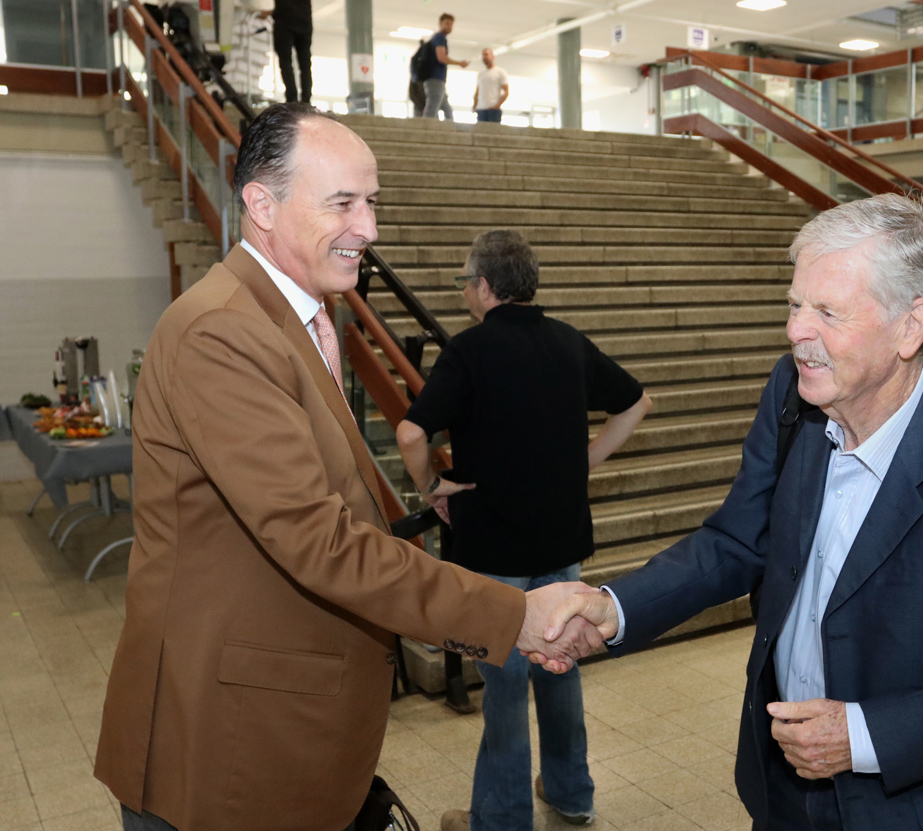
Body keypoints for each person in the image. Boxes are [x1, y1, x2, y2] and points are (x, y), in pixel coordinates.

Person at [93, 104, 598, 831]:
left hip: (278, 730)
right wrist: (513, 615)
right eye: (343, 203)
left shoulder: (295, 320)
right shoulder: (223, 331)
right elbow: (318, 540)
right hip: (221, 743)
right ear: (262, 205)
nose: (370, 228)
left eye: (372, 202)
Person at [535, 194, 923, 831]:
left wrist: (864, 735)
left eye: (827, 311)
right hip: (783, 788)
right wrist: (615, 608)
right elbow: (739, 540)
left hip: (909, 807)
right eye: (796, 305)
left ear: (911, 326)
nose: (797, 330)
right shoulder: (793, 395)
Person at [395, 230, 652, 831]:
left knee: (506, 684)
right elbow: (637, 403)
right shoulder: (566, 340)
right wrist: (585, 459)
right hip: (562, 540)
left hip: (495, 549)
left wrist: (431, 486)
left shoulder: (468, 350)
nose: (464, 292)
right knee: (561, 664)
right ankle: (571, 793)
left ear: (485, 286)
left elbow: (410, 433)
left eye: (465, 281)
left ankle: (502, 818)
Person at [423, 13, 469, 120]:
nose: (449, 27)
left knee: (447, 109)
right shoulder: (439, 37)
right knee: (432, 108)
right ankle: (426, 127)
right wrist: (460, 63)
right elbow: (442, 58)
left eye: (451, 24)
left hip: (439, 80)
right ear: (440, 23)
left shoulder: (439, 38)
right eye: (447, 23)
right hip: (435, 78)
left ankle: (450, 127)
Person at [265, 0, 313, 103]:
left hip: (284, 24)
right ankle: (306, 99)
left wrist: (272, 13)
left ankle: (292, 98)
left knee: (285, 62)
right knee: (305, 65)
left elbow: (285, 7)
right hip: (304, 22)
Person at [473, 48, 509, 123]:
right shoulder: (481, 73)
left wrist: (497, 105)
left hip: (493, 110)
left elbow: (506, 91)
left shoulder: (500, 72)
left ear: (492, 56)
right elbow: (477, 91)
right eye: (483, 55)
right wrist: (475, 105)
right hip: (481, 109)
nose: (484, 57)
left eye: (486, 54)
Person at [409, 38, 429, 116]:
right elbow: (412, 94)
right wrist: (421, 107)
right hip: (419, 108)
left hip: (429, 106)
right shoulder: (414, 78)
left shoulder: (430, 79)